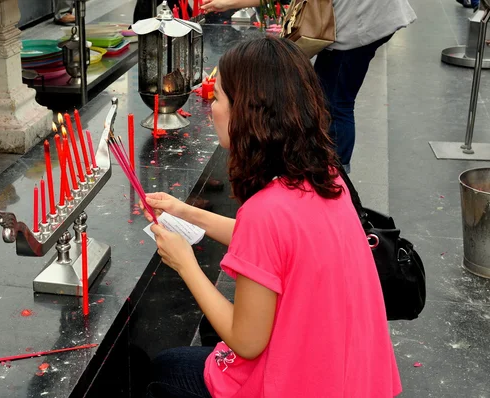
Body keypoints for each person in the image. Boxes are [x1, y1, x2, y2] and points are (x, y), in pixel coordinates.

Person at [141, 37, 401, 398]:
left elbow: (247, 341)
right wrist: (186, 212)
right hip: (352, 375)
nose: (211, 109)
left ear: (247, 112)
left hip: (298, 382)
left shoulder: (266, 211)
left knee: (165, 370)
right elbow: (273, 245)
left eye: (217, 99)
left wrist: (186, 264)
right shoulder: (324, 175)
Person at [202, 0, 416, 172]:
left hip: (357, 26)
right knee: (327, 97)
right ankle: (328, 166)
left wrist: (231, 3)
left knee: (335, 103)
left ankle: (334, 172)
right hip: (365, 17)